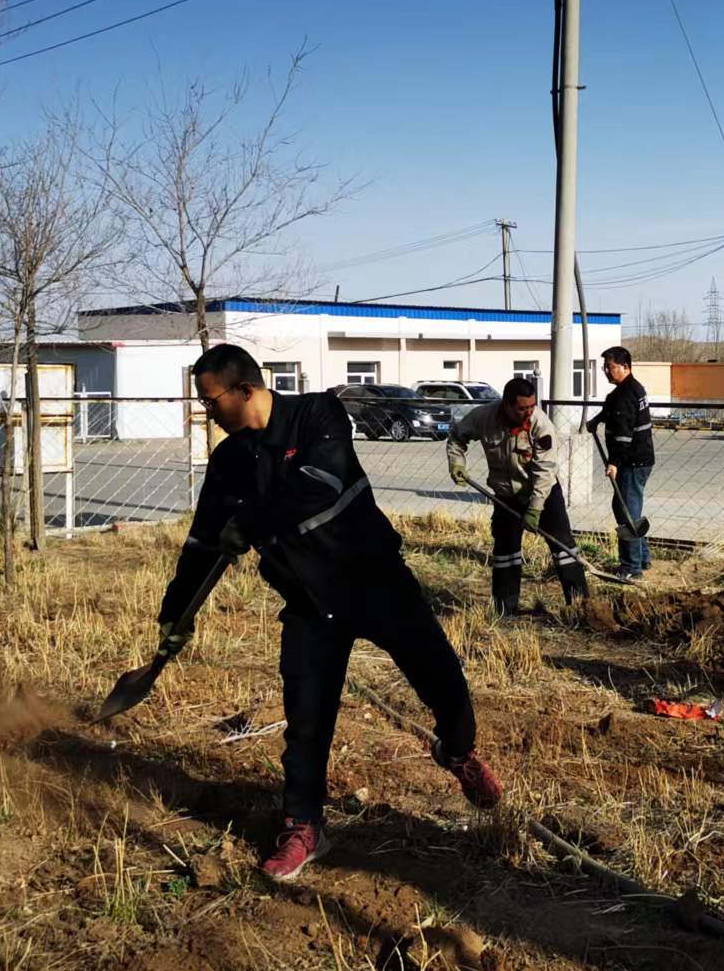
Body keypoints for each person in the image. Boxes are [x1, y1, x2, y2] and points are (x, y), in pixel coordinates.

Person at [151, 344, 501, 882]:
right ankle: (304, 825)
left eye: (211, 400)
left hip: (376, 582)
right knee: (307, 720)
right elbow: (202, 543)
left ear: (244, 389)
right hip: (310, 600)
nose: (207, 411)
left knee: (445, 683)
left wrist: (251, 522)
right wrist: (176, 613)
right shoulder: (228, 462)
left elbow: (321, 484)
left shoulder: (318, 413)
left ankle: (457, 754)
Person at [446, 377, 588, 615]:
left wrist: (535, 508)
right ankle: (505, 609)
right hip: (506, 495)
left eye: (532, 406)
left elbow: (545, 471)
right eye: (523, 408)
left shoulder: (541, 425)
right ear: (507, 405)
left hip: (543, 493)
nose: (529, 412)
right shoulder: (484, 418)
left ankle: (581, 606)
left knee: (563, 548)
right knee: (506, 552)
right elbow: (457, 437)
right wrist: (456, 463)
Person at [586, 346, 654, 581]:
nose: (606, 371)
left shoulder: (626, 395)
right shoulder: (631, 389)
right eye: (604, 367)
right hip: (638, 460)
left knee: (626, 512)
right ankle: (642, 558)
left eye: (610, 367)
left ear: (625, 367)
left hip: (631, 462)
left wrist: (614, 462)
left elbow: (623, 435)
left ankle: (631, 568)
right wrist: (597, 420)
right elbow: (611, 409)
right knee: (627, 508)